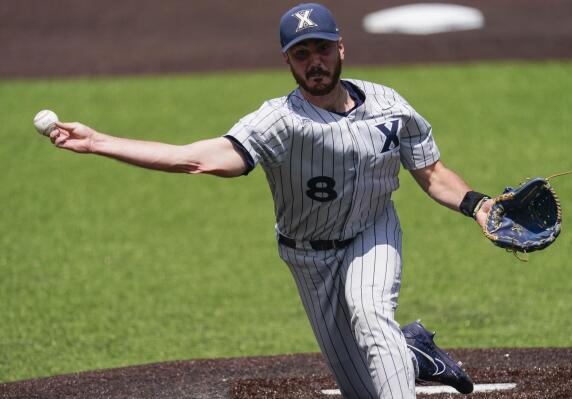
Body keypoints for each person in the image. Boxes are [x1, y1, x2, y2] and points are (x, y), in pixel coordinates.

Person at [47, 3, 491, 398]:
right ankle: (412, 352)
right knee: (363, 386)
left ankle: (396, 346)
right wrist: (99, 141)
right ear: (288, 62)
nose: (314, 62)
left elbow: (431, 173)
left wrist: (478, 204)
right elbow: (193, 159)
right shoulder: (279, 121)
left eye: (321, 49)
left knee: (370, 313)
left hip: (373, 232)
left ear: (341, 49)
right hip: (307, 257)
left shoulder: (390, 105)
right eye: (302, 54)